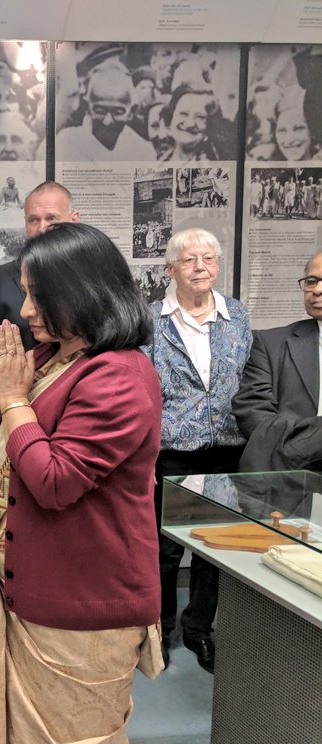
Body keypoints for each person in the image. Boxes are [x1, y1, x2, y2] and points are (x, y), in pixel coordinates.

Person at [0, 222, 164, 744]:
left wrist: (13, 399)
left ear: (81, 292)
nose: (25, 310)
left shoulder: (120, 375)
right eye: (25, 293)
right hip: (27, 587)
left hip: (82, 605)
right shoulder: (54, 356)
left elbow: (53, 481)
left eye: (37, 296)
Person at [142, 228, 251, 673]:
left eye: (208, 258)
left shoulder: (236, 315)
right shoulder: (150, 319)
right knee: (165, 551)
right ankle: (160, 631)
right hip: (171, 451)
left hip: (226, 449)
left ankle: (199, 630)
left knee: (213, 548)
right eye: (189, 260)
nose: (200, 267)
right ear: (170, 269)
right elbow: (141, 389)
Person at [0, 182, 80, 382]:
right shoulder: (0, 279)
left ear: (73, 220)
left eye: (52, 219)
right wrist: (21, 371)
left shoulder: (89, 276)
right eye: (33, 220)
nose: (42, 228)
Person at [234, 251, 322, 471]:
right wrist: (302, 448)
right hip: (290, 471)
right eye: (311, 281)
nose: (317, 290)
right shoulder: (271, 343)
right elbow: (251, 409)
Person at [55, 67, 156, 161]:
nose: (107, 121)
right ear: (87, 107)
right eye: (100, 111)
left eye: (118, 112)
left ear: (131, 112)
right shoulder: (67, 143)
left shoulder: (143, 152)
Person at [160, 87, 218, 161]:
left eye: (200, 117)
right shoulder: (161, 161)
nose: (190, 124)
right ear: (171, 116)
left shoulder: (211, 166)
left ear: (209, 126)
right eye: (183, 114)